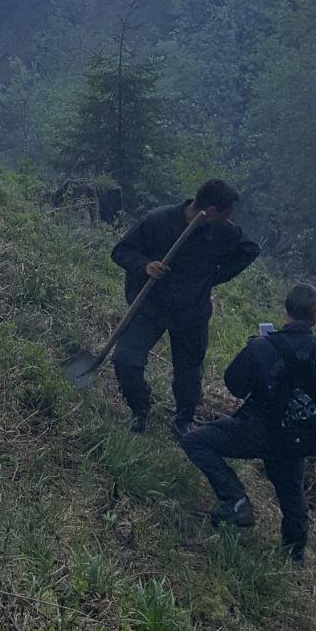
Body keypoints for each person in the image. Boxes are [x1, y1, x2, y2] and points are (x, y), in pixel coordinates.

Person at [181, 282, 316, 563]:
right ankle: (295, 554)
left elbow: (234, 385)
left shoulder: (262, 347)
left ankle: (236, 501)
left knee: (195, 441)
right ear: (315, 315)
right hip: (296, 435)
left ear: (286, 307)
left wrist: (257, 352)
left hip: (255, 431)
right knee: (292, 493)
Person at [111, 179, 260, 437]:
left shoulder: (223, 231)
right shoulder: (158, 221)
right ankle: (140, 408)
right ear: (211, 211)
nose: (231, 218)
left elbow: (248, 250)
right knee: (125, 359)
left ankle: (183, 419)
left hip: (191, 312)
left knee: (189, 373)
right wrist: (146, 266)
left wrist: (213, 276)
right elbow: (121, 251)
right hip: (150, 306)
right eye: (228, 213)